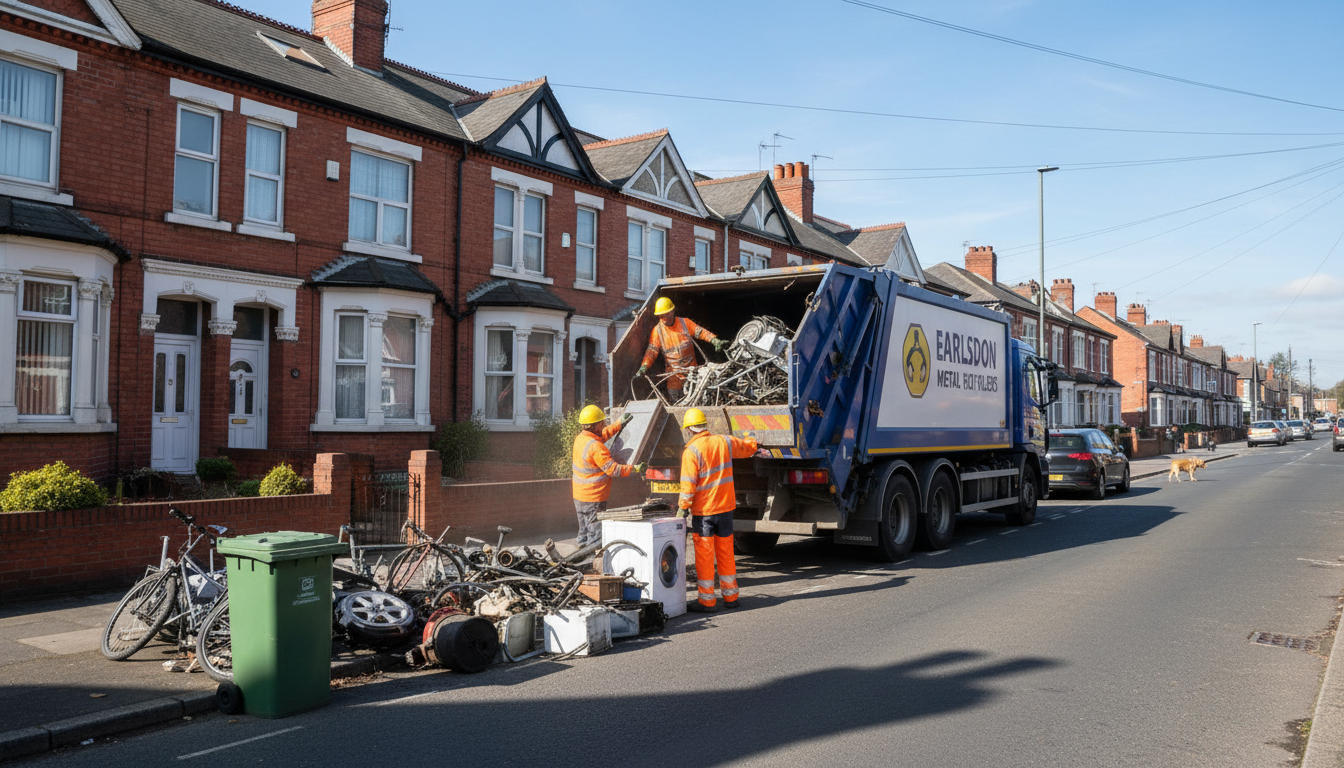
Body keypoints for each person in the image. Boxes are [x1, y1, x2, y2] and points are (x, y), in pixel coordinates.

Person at [677, 407, 759, 612]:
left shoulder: (691, 451)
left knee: (705, 555)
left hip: (705, 512)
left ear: (689, 429)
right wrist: (752, 439)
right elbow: (748, 448)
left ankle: (707, 601)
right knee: (726, 552)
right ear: (705, 425)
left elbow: (688, 486)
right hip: (725, 509)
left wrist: (682, 508)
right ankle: (731, 597)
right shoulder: (724, 441)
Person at [572, 404, 645, 550]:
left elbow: (602, 435)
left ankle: (579, 556)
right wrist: (634, 469)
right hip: (594, 497)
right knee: (595, 537)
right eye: (602, 423)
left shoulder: (581, 439)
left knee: (583, 532)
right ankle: (592, 560)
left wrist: (619, 424)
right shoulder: (596, 447)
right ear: (595, 425)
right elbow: (613, 470)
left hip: (579, 496)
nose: (604, 425)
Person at [636, 297, 725, 403]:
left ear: (673, 311)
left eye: (667, 314)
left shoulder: (684, 323)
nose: (665, 318)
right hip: (674, 379)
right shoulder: (657, 331)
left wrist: (714, 340)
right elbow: (651, 352)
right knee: (677, 405)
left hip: (693, 375)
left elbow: (700, 332)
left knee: (697, 401)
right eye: (662, 316)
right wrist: (644, 367)